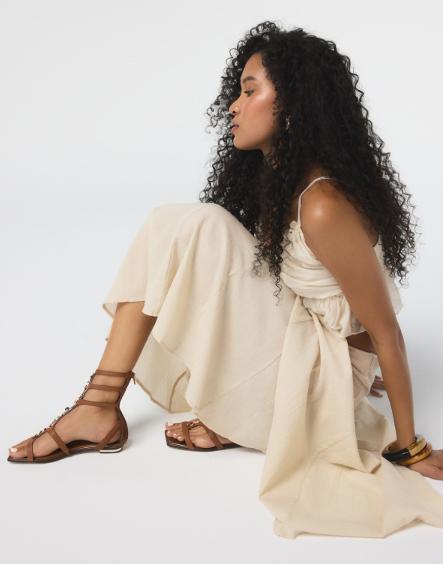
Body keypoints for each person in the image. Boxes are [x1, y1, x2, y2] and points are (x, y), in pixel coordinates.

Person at [7, 21, 443, 540]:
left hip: (318, 384)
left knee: (195, 225)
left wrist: (409, 445)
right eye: (237, 92)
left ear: (293, 105)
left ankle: (99, 407)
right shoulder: (284, 182)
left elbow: (387, 330)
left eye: (250, 91)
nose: (233, 106)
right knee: (178, 226)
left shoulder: (322, 203)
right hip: (300, 353)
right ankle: (108, 405)